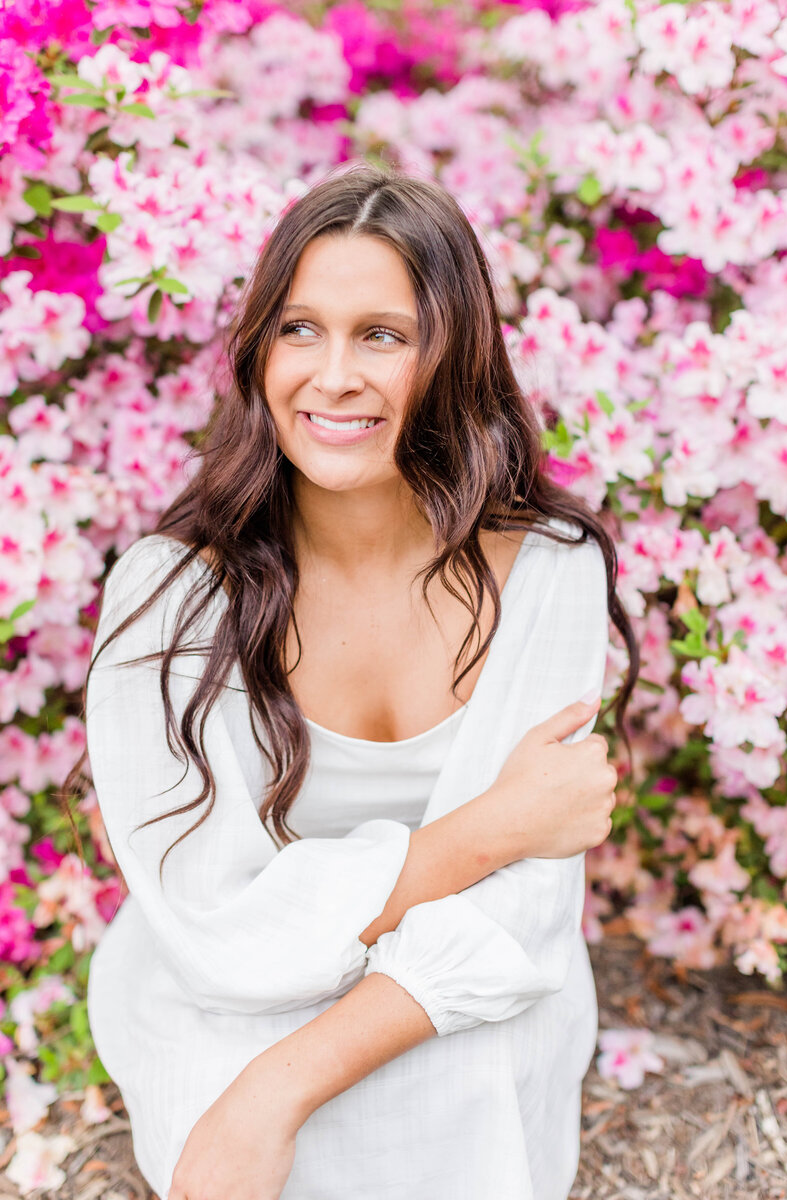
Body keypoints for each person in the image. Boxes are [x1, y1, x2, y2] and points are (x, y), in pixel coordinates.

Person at [73, 161, 638, 1200]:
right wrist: (492, 829)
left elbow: (516, 916)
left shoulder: (547, 572)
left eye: (382, 335)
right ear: (258, 350)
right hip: (224, 1002)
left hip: (443, 999)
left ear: (451, 357)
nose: (332, 376)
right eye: (299, 329)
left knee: (456, 1067)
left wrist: (275, 1093)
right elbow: (213, 930)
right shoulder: (169, 597)